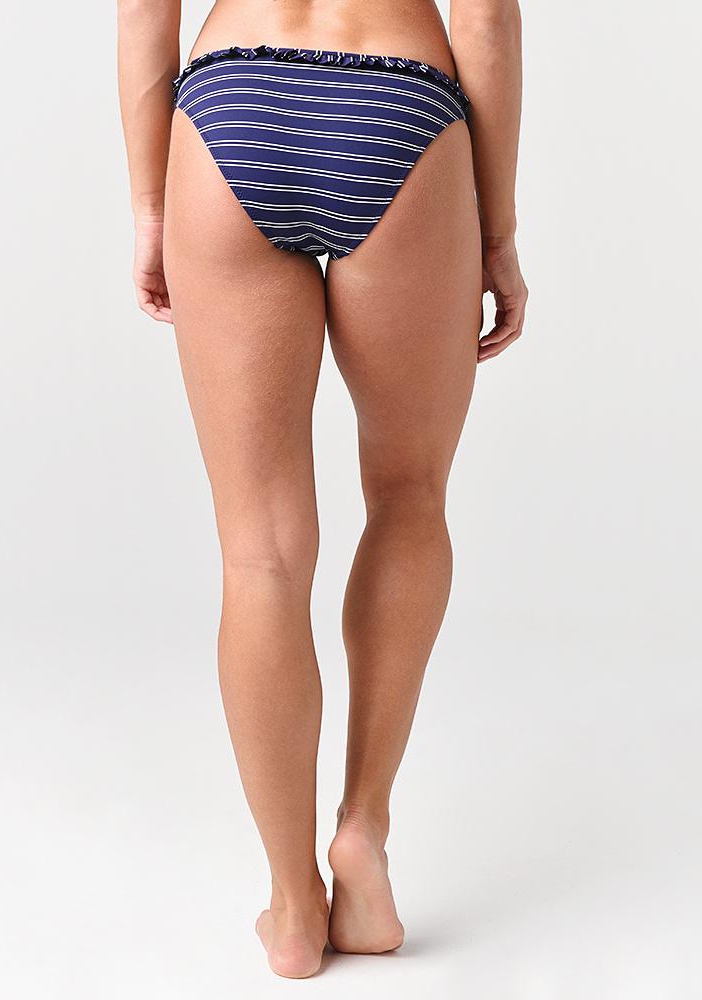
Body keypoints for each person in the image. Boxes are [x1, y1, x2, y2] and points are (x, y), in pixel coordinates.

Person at [117, 0, 527, 979]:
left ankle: (293, 905)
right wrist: (496, 231)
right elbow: (483, 19)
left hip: (232, 108)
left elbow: (141, 13)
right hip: (400, 106)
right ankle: (362, 828)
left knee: (259, 550)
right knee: (409, 495)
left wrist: (151, 207)